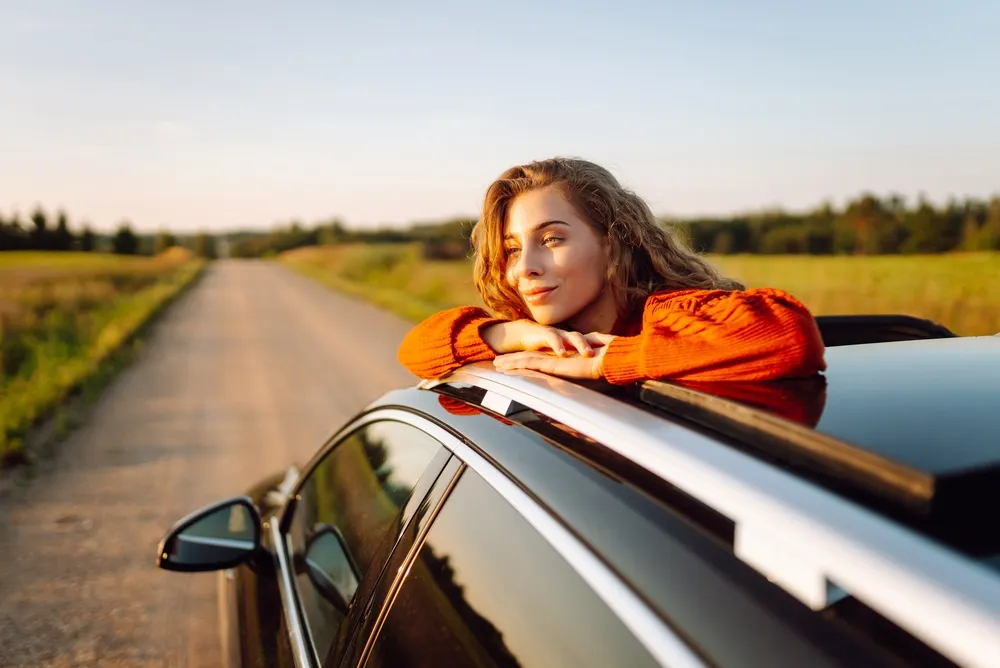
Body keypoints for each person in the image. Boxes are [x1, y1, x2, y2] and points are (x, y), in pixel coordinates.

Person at [397, 157, 826, 385]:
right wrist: (511, 333)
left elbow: (788, 335)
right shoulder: (544, 331)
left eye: (551, 240)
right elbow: (415, 350)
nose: (524, 268)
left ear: (611, 240)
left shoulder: (661, 313)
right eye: (511, 250)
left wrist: (610, 361)